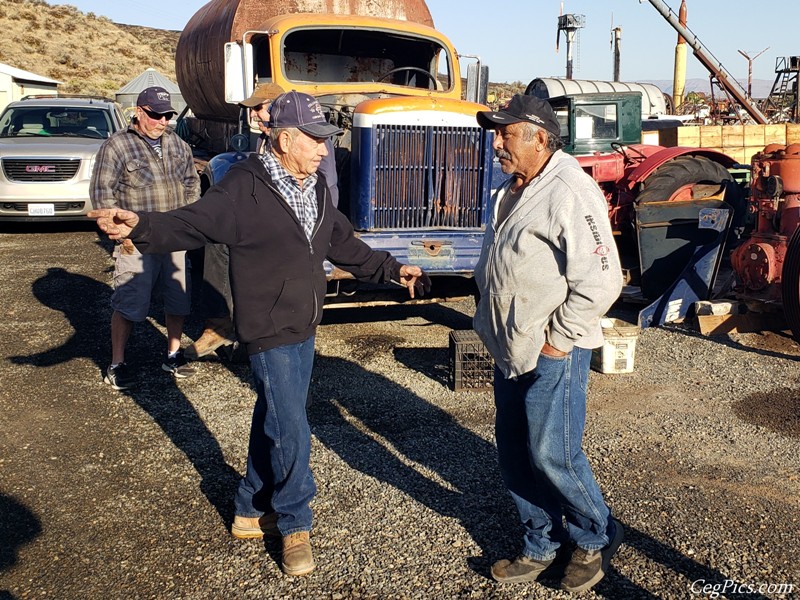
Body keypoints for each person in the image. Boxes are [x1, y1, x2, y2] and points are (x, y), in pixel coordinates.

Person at [88, 90, 431, 577]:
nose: (323, 150)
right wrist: (140, 225)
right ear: (286, 139)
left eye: (325, 141)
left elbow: (342, 242)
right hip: (266, 324)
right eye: (315, 140)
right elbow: (191, 223)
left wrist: (395, 270)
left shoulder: (313, 187)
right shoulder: (242, 188)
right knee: (292, 424)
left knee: (276, 412)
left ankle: (250, 508)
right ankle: (294, 521)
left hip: (305, 320)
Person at [473, 95, 624, 593]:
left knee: (552, 452)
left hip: (551, 349)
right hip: (509, 347)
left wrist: (557, 343)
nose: (497, 143)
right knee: (516, 452)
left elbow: (602, 281)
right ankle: (540, 543)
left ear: (540, 137)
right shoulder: (511, 188)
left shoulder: (570, 190)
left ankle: (593, 536)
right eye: (496, 133)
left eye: (506, 133)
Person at [186, 85, 339, 360]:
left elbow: (327, 189)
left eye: (259, 108)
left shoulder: (308, 142)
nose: (254, 115)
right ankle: (221, 323)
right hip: (269, 221)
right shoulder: (265, 141)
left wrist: (319, 232)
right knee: (219, 245)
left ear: (277, 107)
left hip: (298, 227)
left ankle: (248, 332)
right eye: (252, 109)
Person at [91, 86, 201, 390]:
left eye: (167, 115)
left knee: (178, 300)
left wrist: (189, 222)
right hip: (136, 241)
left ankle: (173, 355)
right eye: (155, 114)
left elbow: (192, 184)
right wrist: (115, 231)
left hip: (175, 238)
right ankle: (117, 364)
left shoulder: (178, 145)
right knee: (129, 302)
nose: (162, 121)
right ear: (138, 112)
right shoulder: (116, 147)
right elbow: (102, 193)